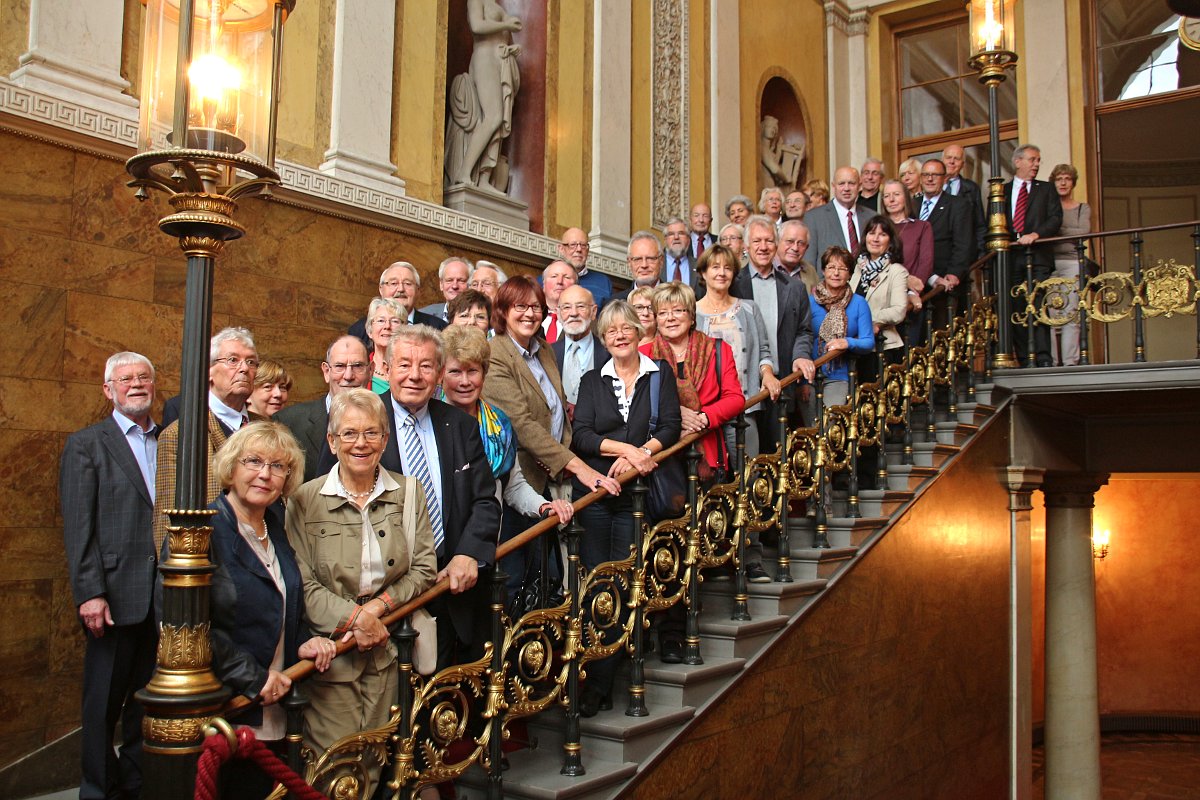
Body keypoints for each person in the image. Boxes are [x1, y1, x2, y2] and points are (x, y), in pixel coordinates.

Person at [286, 389, 437, 799]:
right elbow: (301, 584)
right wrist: (355, 619)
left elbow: (425, 568)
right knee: (334, 765)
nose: (361, 443)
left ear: (385, 440)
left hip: (386, 649)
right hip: (333, 654)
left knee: (375, 755)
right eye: (349, 433)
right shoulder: (304, 500)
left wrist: (378, 609)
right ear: (332, 442)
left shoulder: (408, 492)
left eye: (372, 433)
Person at [199, 422, 336, 800]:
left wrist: (305, 642)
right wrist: (252, 677)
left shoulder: (274, 526)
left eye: (278, 466)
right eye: (254, 461)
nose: (265, 474)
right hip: (230, 710)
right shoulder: (204, 531)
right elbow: (189, 626)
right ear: (231, 467)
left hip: (277, 706)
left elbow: (285, 601)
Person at [571, 300, 681, 712]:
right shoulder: (591, 381)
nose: (619, 335)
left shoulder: (659, 375)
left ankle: (603, 682)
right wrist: (629, 450)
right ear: (603, 339)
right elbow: (581, 435)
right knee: (598, 586)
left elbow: (670, 426)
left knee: (623, 584)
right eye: (611, 331)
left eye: (626, 328)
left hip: (639, 499)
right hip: (599, 498)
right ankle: (595, 681)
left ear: (639, 332)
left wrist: (640, 456)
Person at [61, 352, 159, 800]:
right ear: (108, 390)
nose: (136, 384)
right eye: (125, 379)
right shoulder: (88, 444)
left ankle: (135, 785)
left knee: (145, 704)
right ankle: (98, 789)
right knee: (102, 705)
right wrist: (89, 593)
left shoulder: (170, 441)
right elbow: (79, 525)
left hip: (162, 598)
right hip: (113, 598)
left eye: (143, 378)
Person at [483, 277, 619, 591]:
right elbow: (523, 424)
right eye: (520, 306)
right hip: (517, 483)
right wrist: (579, 468)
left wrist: (565, 458)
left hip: (549, 478)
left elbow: (556, 409)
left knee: (550, 576)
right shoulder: (495, 354)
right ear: (503, 311)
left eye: (535, 307)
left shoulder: (542, 347)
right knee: (520, 579)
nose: (529, 314)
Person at [379, 326, 502, 667]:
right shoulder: (364, 421)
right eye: (404, 365)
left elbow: (485, 499)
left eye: (426, 366)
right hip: (386, 596)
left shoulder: (459, 425)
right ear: (386, 367)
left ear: (438, 373)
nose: (414, 376)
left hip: (452, 587)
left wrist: (469, 553)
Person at [439, 325, 575, 525]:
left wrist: (543, 506)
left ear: (484, 373)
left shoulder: (500, 423)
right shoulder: (430, 423)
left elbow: (513, 486)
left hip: (492, 538)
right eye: (455, 372)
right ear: (440, 374)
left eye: (472, 371)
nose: (465, 381)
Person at [155, 327, 260, 551]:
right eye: (233, 360)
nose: (244, 368)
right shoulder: (181, 434)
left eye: (251, 362)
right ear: (209, 371)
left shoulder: (267, 428)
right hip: (212, 560)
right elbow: (167, 521)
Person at [643, 282, 744, 480]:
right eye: (662, 313)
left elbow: (735, 398)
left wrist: (704, 418)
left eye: (678, 311)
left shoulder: (718, 349)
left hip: (706, 449)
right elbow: (635, 404)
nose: (670, 318)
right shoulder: (643, 355)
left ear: (691, 316)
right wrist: (676, 412)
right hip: (660, 456)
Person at [730, 215, 816, 438]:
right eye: (757, 241)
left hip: (782, 381)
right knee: (746, 452)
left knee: (778, 452)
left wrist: (801, 355)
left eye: (769, 241)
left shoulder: (795, 288)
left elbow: (804, 330)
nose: (763, 247)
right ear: (747, 246)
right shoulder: (732, 284)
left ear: (777, 245)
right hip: (743, 383)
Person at [695, 244, 780, 461]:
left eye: (727, 268)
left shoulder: (749, 309)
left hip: (744, 405)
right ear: (704, 273)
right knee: (710, 479)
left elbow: (764, 350)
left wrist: (768, 373)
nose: (721, 273)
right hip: (705, 410)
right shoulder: (692, 313)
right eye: (715, 267)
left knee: (749, 473)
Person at [446, 0, 522, 192]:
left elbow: (504, 35)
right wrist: (506, 25)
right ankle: (464, 171)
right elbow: (477, 25)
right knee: (493, 117)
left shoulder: (498, 7)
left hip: (500, 62)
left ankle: (484, 179)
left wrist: (511, 47)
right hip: (485, 58)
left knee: (498, 121)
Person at [276, 336, 371, 483]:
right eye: (340, 366)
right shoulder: (288, 422)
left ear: (370, 371)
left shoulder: (387, 422)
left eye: (358, 366)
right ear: (326, 371)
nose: (348, 376)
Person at [1005, 144, 1063, 367]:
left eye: (1038, 160)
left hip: (1038, 256)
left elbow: (1055, 218)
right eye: (1032, 160)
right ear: (1018, 162)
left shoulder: (1046, 189)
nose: (1036, 164)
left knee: (1038, 306)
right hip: (1011, 257)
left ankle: (1043, 358)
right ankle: (1024, 358)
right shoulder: (1003, 190)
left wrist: (1036, 234)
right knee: (1016, 308)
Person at [806, 248, 875, 411]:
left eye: (842, 269)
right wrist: (802, 382)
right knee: (810, 429)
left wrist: (846, 342)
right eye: (831, 267)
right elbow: (802, 338)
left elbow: (868, 341)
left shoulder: (859, 303)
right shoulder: (809, 302)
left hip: (840, 375)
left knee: (832, 425)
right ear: (823, 270)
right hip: (809, 376)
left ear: (850, 274)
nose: (836, 273)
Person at [916, 159, 973, 336]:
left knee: (941, 334)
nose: (930, 179)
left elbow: (963, 243)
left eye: (935, 175)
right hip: (917, 280)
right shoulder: (913, 204)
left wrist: (955, 272)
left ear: (944, 178)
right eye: (926, 175)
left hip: (943, 281)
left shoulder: (957, 205)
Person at [851, 217, 911, 373]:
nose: (876, 239)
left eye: (882, 234)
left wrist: (866, 320)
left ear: (891, 242)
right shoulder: (857, 269)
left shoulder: (896, 271)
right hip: (856, 344)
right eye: (872, 233)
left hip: (882, 346)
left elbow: (898, 310)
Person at [1048, 163, 1092, 366]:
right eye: (1059, 179)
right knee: (1048, 313)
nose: (1063, 182)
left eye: (1067, 178)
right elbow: (1047, 230)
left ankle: (1070, 361)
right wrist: (1067, 231)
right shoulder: (1049, 207)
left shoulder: (1082, 207)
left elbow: (1083, 232)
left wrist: (1058, 230)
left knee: (1071, 312)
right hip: (1049, 261)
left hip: (1073, 261)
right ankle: (1051, 360)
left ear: (1073, 182)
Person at [349, 262, 445, 350]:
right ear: (381, 289)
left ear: (418, 291)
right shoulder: (359, 330)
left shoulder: (438, 328)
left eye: (408, 283)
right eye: (393, 283)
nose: (400, 289)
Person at [552, 284, 610, 413]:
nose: (574, 313)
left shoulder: (609, 353)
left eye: (581, 306)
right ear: (558, 313)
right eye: (566, 307)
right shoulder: (547, 353)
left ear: (594, 312)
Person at [805, 166, 875, 263]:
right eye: (841, 183)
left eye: (851, 183)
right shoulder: (813, 218)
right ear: (833, 186)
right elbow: (809, 263)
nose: (846, 188)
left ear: (859, 186)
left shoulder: (872, 217)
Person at [557, 227, 614, 308]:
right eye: (573, 245)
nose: (579, 249)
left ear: (588, 250)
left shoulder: (603, 283)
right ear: (561, 249)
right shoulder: (548, 281)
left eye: (583, 245)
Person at [365, 297, 407, 393]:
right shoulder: (361, 369)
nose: (387, 326)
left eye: (395, 321)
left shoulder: (413, 370)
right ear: (370, 331)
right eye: (380, 320)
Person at [421, 257, 472, 322]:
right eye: (449, 280)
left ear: (470, 285)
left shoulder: (479, 319)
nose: (454, 286)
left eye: (461, 280)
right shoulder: (424, 315)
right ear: (441, 284)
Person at [541, 259, 578, 343]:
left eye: (567, 277)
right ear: (544, 284)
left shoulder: (586, 322)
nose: (559, 281)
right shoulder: (530, 315)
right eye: (554, 276)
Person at [661, 216, 699, 292]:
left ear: (688, 239)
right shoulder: (656, 264)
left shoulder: (700, 266)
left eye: (681, 233)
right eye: (671, 234)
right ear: (665, 239)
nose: (676, 237)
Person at [778, 219, 818, 290]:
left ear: (806, 247)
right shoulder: (766, 267)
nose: (795, 248)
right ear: (777, 241)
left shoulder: (810, 271)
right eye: (790, 241)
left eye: (801, 243)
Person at [623, 230, 665, 296]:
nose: (644, 265)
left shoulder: (676, 300)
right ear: (629, 262)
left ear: (661, 260)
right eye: (638, 259)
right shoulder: (615, 303)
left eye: (650, 258)